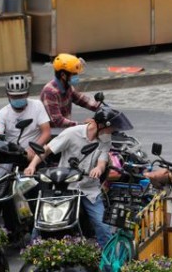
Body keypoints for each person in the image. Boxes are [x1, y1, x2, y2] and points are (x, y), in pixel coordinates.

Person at [24, 106, 133, 247]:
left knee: (103, 227)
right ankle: (34, 253)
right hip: (64, 186)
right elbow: (46, 150)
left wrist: (99, 168)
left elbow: (102, 160)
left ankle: (108, 267)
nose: (111, 133)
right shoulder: (71, 133)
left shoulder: (105, 139)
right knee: (42, 222)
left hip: (89, 189)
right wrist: (32, 165)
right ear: (101, 126)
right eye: (111, 129)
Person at [0, 75, 51, 162]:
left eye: (21, 96)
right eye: (14, 96)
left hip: (35, 153)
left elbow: (46, 132)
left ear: (27, 94)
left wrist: (32, 149)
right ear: (8, 95)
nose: (18, 99)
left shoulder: (37, 106)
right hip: (13, 154)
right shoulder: (3, 113)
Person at [40, 53, 100, 129]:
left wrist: (102, 109)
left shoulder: (67, 87)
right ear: (63, 75)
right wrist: (83, 126)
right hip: (54, 133)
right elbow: (58, 121)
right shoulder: (50, 92)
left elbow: (82, 100)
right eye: (74, 74)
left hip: (66, 130)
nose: (77, 77)